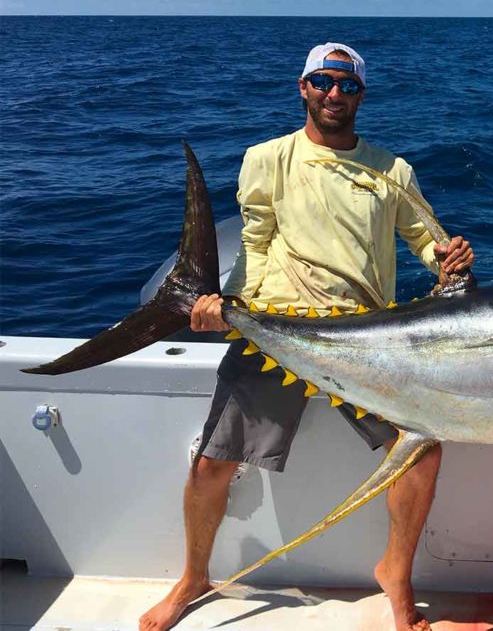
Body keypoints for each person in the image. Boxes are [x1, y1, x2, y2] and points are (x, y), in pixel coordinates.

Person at [140, 42, 473, 631]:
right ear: (303, 87)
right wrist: (227, 308)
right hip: (277, 329)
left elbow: (428, 243)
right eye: (323, 82)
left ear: (361, 94)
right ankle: (194, 576)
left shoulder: (392, 171)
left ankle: (396, 574)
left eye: (347, 85)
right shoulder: (266, 158)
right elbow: (256, 242)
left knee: (422, 451)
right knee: (212, 463)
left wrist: (449, 259)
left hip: (366, 336)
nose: (335, 94)